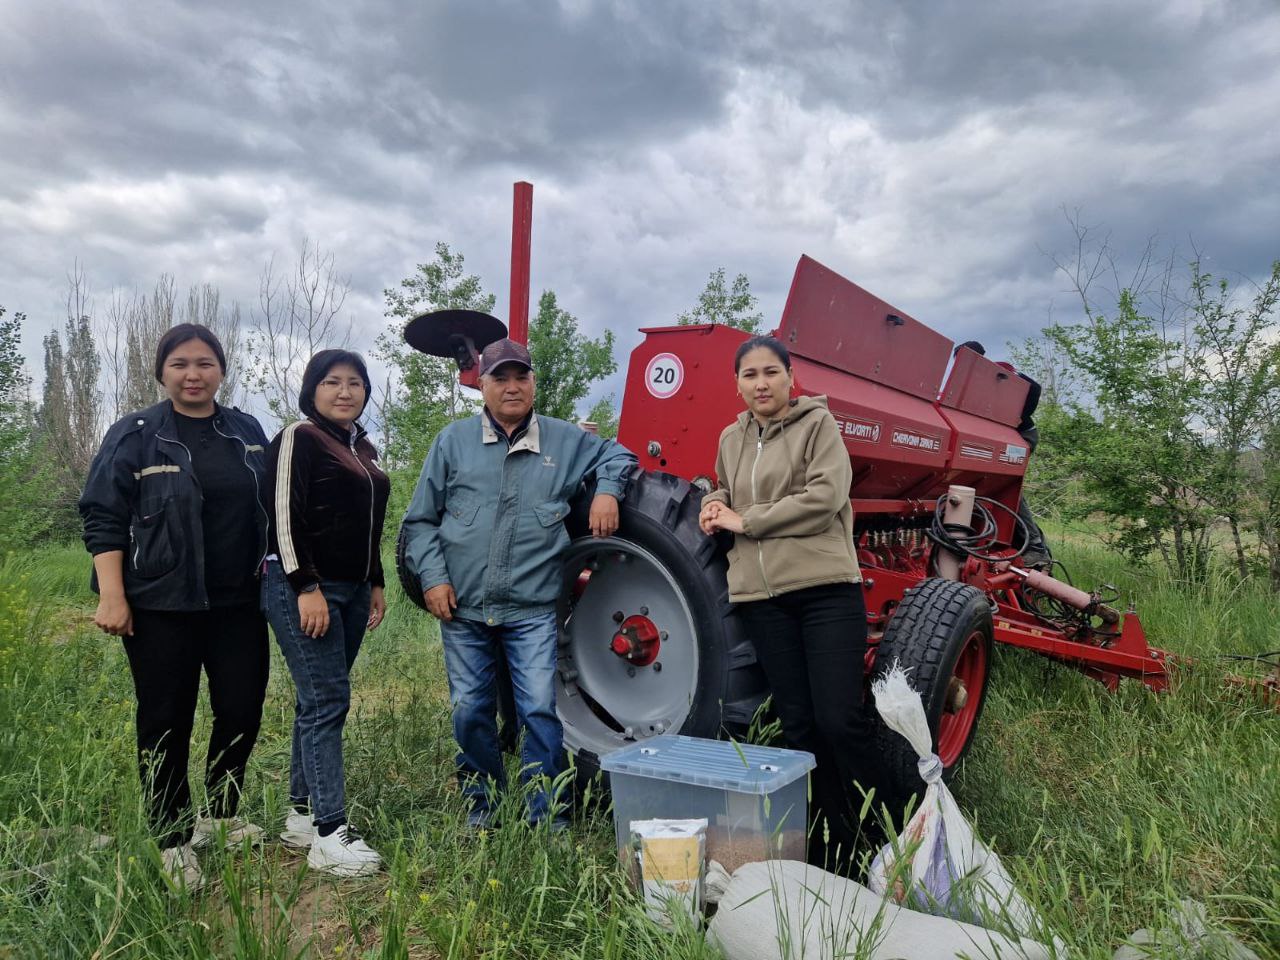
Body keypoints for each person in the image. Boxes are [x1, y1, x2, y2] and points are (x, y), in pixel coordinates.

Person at [401, 338, 637, 830]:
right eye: (500, 378)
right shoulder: (452, 442)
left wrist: (607, 492)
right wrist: (434, 579)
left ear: (533, 382)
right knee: (470, 709)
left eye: (521, 377)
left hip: (531, 609)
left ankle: (546, 816)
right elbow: (420, 522)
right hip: (463, 607)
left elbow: (618, 455)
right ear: (482, 385)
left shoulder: (565, 441)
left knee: (538, 710)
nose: (512, 387)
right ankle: (483, 807)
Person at [79, 323, 271, 891]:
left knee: (241, 710)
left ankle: (221, 815)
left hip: (239, 603)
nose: (193, 375)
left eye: (205, 363)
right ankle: (172, 838)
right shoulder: (135, 433)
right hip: (160, 604)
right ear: (161, 371)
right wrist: (112, 594)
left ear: (221, 370)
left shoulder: (246, 430)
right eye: (180, 364)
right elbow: (102, 515)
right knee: (165, 720)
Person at [698, 334, 879, 871]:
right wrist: (713, 503)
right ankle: (828, 845)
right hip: (762, 600)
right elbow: (726, 488)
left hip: (824, 590)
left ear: (790, 377)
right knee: (798, 725)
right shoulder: (731, 436)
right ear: (737, 383)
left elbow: (826, 497)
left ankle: (880, 833)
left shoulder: (818, 425)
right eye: (750, 374)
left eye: (770, 372)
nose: (761, 384)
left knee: (839, 719)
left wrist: (746, 521)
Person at [262, 349, 390, 877]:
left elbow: (369, 524)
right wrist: (305, 586)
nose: (345, 391)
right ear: (312, 389)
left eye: (355, 383)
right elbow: (282, 515)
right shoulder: (301, 436)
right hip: (305, 587)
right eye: (332, 381)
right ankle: (329, 832)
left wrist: (375, 581)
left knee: (315, 701)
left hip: (353, 590)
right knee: (328, 701)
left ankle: (299, 814)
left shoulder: (363, 448)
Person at [953, 340, 1050, 568]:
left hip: (1021, 436)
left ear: (978, 358)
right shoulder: (969, 381)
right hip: (998, 437)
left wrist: (1015, 417)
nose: (960, 364)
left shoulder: (1000, 373)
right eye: (958, 360)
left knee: (1007, 486)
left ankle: (1035, 547)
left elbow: (1034, 388)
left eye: (964, 358)